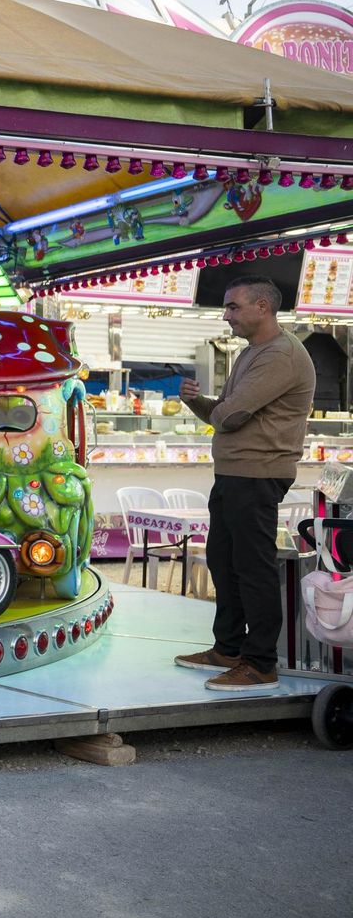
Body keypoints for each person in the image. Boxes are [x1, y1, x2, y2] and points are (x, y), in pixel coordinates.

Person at [177, 275, 315, 691]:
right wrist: (197, 402)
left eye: (233, 307)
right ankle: (229, 648)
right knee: (224, 561)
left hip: (259, 475)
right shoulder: (251, 353)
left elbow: (231, 416)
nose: (227, 315)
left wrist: (221, 412)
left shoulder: (281, 355)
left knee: (253, 568)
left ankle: (260, 663)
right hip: (235, 474)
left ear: (262, 307)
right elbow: (223, 412)